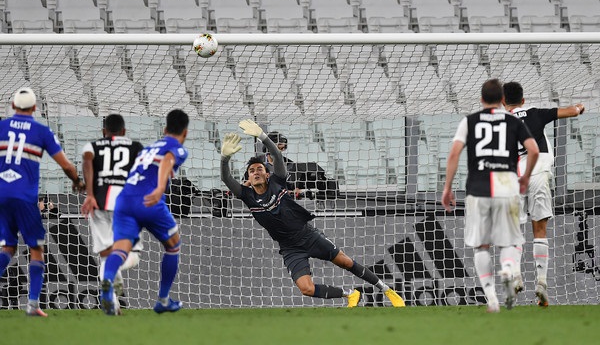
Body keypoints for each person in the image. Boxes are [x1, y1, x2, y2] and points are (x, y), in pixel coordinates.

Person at [221, 119, 405, 308]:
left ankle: (386, 289)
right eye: (252, 171)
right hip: (290, 248)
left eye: (260, 169)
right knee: (306, 289)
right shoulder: (247, 195)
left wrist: (262, 136)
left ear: (267, 174)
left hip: (308, 235)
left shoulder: (278, 181)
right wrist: (225, 158)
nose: (256, 172)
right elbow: (226, 178)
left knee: (346, 262)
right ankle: (349, 294)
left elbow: (276, 154)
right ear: (248, 179)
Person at [441, 79, 539, 313]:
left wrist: (447, 187)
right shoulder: (513, 120)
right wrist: (525, 177)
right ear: (502, 100)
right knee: (508, 242)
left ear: (481, 98)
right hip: (507, 186)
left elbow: (454, 152)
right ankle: (507, 267)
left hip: (478, 187)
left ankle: (491, 298)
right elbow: (534, 150)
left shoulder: (470, 121)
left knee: (482, 246)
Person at [0, 88, 85, 317]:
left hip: (1, 194)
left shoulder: (1, 127)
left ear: (13, 106)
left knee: (7, 247)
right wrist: (77, 181)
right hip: (25, 197)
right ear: (35, 108)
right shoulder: (41, 131)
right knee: (36, 248)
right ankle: (33, 305)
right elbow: (66, 165)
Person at [502, 81, 585, 307]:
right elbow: (570, 112)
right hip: (538, 173)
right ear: (523, 100)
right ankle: (541, 283)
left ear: (502, 102)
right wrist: (579, 107)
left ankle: (517, 276)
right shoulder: (535, 113)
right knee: (539, 229)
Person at [99, 109, 189, 315]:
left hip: (124, 200)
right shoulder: (177, 147)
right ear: (185, 133)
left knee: (121, 249)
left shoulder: (148, 149)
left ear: (164, 129)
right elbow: (167, 160)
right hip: (149, 201)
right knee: (173, 245)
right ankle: (163, 300)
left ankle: (107, 280)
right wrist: (159, 188)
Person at [81, 114, 145, 306]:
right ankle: (113, 277)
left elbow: (86, 162)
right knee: (132, 255)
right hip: (126, 206)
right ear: (124, 131)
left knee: (105, 255)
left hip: (98, 204)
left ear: (103, 131)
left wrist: (90, 194)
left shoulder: (92, 147)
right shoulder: (136, 147)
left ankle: (112, 301)